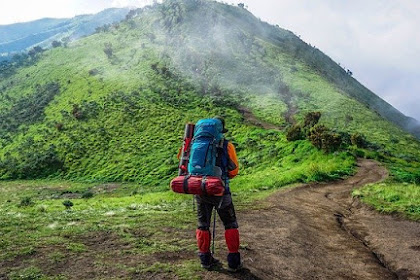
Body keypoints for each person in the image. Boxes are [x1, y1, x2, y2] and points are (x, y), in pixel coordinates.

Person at [194, 116, 242, 272]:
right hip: (220, 191)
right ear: (221, 130)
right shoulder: (227, 146)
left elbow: (185, 165)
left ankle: (205, 260)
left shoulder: (193, 143)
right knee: (230, 224)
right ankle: (233, 262)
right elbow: (234, 171)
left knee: (203, 225)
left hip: (200, 189)